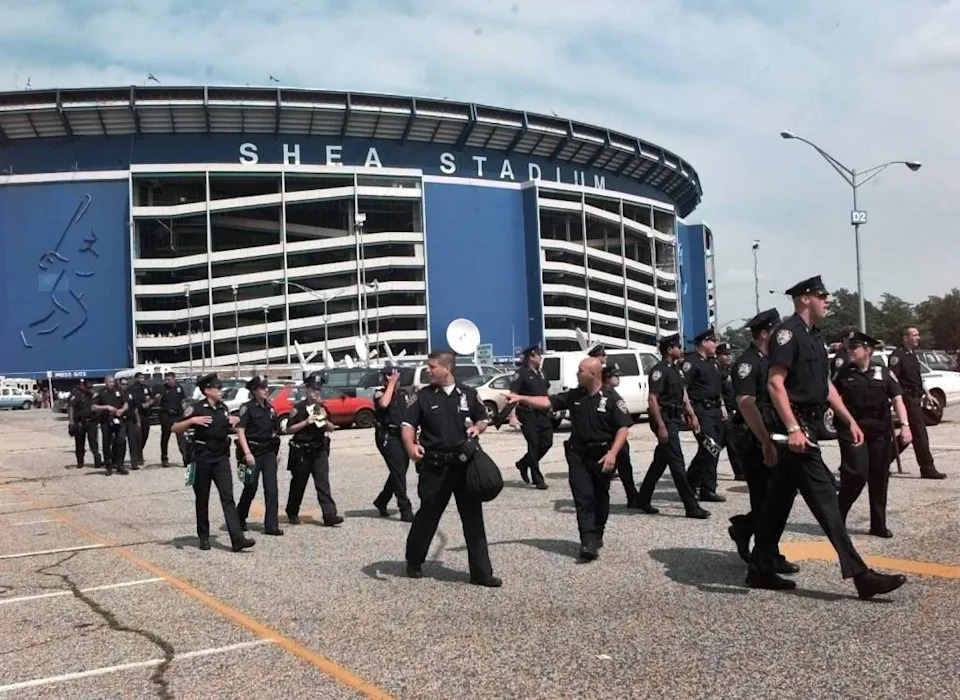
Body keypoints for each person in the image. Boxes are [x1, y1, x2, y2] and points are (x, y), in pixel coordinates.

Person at [747, 275, 906, 599]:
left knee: (777, 502)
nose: (828, 300)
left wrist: (849, 420)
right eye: (822, 296)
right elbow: (775, 384)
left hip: (805, 427)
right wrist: (792, 428)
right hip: (797, 431)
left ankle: (759, 567)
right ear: (805, 299)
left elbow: (826, 387)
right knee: (827, 505)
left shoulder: (815, 338)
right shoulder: (788, 334)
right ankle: (861, 575)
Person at [509, 356, 632, 560]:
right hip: (578, 454)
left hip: (602, 455)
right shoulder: (575, 395)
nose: (577, 373)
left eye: (581, 370)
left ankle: (597, 532)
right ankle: (587, 541)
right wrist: (521, 398)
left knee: (601, 498)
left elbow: (623, 428)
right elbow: (546, 402)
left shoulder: (611, 398)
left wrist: (613, 453)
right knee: (583, 497)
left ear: (593, 374)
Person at [402, 350, 499, 585]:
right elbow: (406, 425)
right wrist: (410, 447)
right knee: (427, 516)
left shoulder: (467, 394)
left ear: (447, 368)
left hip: (465, 467)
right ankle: (414, 561)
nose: (428, 370)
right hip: (435, 467)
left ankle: (481, 573)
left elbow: (483, 418)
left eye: (432, 366)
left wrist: (478, 428)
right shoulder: (422, 396)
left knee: (473, 519)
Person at [727, 308, 799, 573]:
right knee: (765, 498)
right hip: (753, 440)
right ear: (766, 333)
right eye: (776, 331)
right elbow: (746, 403)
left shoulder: (772, 362)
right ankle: (766, 554)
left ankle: (749, 532)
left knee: (777, 498)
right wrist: (765, 441)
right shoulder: (748, 363)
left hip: (773, 437)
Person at [834, 331, 912, 538]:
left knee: (879, 476)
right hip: (853, 430)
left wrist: (904, 425)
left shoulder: (883, 372)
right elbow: (833, 397)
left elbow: (897, 400)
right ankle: (836, 518)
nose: (849, 351)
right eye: (849, 348)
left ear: (867, 350)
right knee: (856, 475)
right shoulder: (843, 373)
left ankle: (878, 524)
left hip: (879, 431)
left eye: (854, 348)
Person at [172, 373, 254, 552]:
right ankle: (203, 536)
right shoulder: (196, 408)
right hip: (202, 457)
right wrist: (192, 421)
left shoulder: (223, 408)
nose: (221, 390)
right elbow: (175, 427)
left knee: (228, 497)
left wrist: (233, 422)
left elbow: (222, 426)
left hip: (221, 457)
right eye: (217, 388)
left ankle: (237, 539)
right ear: (207, 390)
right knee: (202, 498)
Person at [635, 334, 710, 519]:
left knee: (661, 461)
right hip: (664, 418)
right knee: (677, 463)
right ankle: (691, 506)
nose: (680, 349)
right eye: (677, 346)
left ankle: (642, 498)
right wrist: (661, 426)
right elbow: (652, 399)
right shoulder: (658, 371)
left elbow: (683, 394)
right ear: (669, 349)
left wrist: (692, 415)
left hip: (675, 418)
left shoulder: (675, 369)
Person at [283, 373, 343, 527]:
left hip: (319, 450)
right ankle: (292, 511)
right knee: (299, 484)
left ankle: (330, 515)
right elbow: (289, 429)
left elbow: (331, 428)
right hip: (302, 451)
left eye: (318, 389)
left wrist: (323, 418)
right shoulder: (299, 408)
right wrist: (306, 422)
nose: (316, 392)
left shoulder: (319, 408)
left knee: (323, 484)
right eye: (313, 389)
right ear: (307, 390)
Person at [889, 326, 947, 479]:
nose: (918, 338)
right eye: (914, 335)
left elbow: (917, 379)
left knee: (908, 436)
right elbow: (893, 381)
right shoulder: (897, 356)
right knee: (920, 434)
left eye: (918, 335)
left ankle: (880, 461)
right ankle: (927, 467)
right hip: (906, 399)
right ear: (905, 337)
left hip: (916, 397)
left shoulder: (912, 355)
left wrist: (927, 393)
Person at [235, 376, 284, 536]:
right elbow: (240, 431)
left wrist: (278, 451)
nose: (266, 390)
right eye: (262, 388)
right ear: (254, 391)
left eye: (266, 387)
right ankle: (239, 517)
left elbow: (274, 431)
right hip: (253, 452)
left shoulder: (270, 408)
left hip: (268, 451)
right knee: (251, 487)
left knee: (272, 489)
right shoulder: (247, 408)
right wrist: (247, 453)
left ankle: (271, 525)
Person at [683, 328, 726, 502]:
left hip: (715, 410)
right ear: (704, 342)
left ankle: (708, 488)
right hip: (702, 411)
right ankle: (689, 482)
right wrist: (691, 414)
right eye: (713, 341)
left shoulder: (712, 362)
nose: (715, 345)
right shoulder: (691, 362)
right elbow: (683, 389)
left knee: (714, 450)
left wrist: (722, 409)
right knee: (710, 447)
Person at [373, 365, 415, 522]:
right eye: (390, 378)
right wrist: (390, 384)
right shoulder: (380, 393)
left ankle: (382, 500)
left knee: (400, 470)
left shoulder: (403, 394)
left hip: (401, 436)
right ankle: (405, 508)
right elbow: (383, 404)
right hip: (387, 437)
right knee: (398, 471)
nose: (395, 381)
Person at [509, 344, 553, 489]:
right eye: (538, 355)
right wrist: (512, 416)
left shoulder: (541, 373)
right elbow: (513, 396)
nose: (540, 357)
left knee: (547, 442)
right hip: (528, 415)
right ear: (531, 357)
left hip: (542, 414)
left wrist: (552, 406)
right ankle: (538, 479)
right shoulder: (521, 374)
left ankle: (524, 463)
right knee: (533, 445)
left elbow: (546, 392)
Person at [601, 363, 641, 508]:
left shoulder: (605, 392)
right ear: (607, 377)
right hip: (613, 438)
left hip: (612, 438)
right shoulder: (611, 395)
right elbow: (624, 422)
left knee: (623, 470)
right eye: (616, 376)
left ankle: (632, 497)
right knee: (618, 470)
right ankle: (631, 497)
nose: (619, 378)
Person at [716, 343, 746, 481]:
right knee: (732, 443)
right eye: (725, 354)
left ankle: (702, 468)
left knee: (719, 445)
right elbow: (717, 392)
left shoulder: (731, 370)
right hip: (724, 411)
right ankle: (739, 472)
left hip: (734, 410)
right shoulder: (716, 371)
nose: (728, 357)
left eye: (730, 354)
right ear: (718, 355)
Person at [96, 375, 130, 475]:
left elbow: (126, 403)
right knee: (106, 443)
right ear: (105, 382)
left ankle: (120, 464)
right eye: (110, 382)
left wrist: (122, 410)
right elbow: (93, 407)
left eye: (113, 382)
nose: (112, 384)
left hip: (119, 420)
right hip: (106, 421)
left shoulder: (119, 391)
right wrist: (106, 407)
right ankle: (109, 465)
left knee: (121, 440)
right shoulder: (101, 393)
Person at [68, 379, 101, 469]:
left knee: (93, 443)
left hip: (92, 422)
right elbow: (71, 407)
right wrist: (71, 422)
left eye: (91, 387)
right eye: (88, 387)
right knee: (79, 444)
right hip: (80, 423)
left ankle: (97, 461)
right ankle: (80, 462)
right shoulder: (77, 394)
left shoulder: (94, 395)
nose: (91, 389)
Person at [158, 372, 188, 468]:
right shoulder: (163, 388)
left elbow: (183, 400)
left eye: (169, 379)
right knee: (165, 437)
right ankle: (164, 458)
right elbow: (158, 402)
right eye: (166, 379)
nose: (167, 381)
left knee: (181, 438)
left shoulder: (179, 388)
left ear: (174, 379)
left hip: (178, 415)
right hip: (166, 415)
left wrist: (185, 411)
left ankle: (185, 458)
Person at [130, 372, 155, 465]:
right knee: (138, 436)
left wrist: (149, 403)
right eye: (140, 378)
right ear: (136, 378)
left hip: (146, 414)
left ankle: (139, 452)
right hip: (137, 414)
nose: (142, 379)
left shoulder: (147, 387)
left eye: (143, 378)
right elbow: (132, 402)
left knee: (145, 435)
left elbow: (152, 398)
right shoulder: (132, 389)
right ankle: (138, 456)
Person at [118, 377, 143, 470]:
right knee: (121, 442)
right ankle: (119, 463)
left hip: (130, 420)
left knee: (133, 442)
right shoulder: (117, 394)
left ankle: (134, 463)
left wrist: (138, 421)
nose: (124, 386)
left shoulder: (130, 394)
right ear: (119, 384)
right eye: (123, 384)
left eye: (126, 384)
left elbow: (135, 408)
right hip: (121, 421)